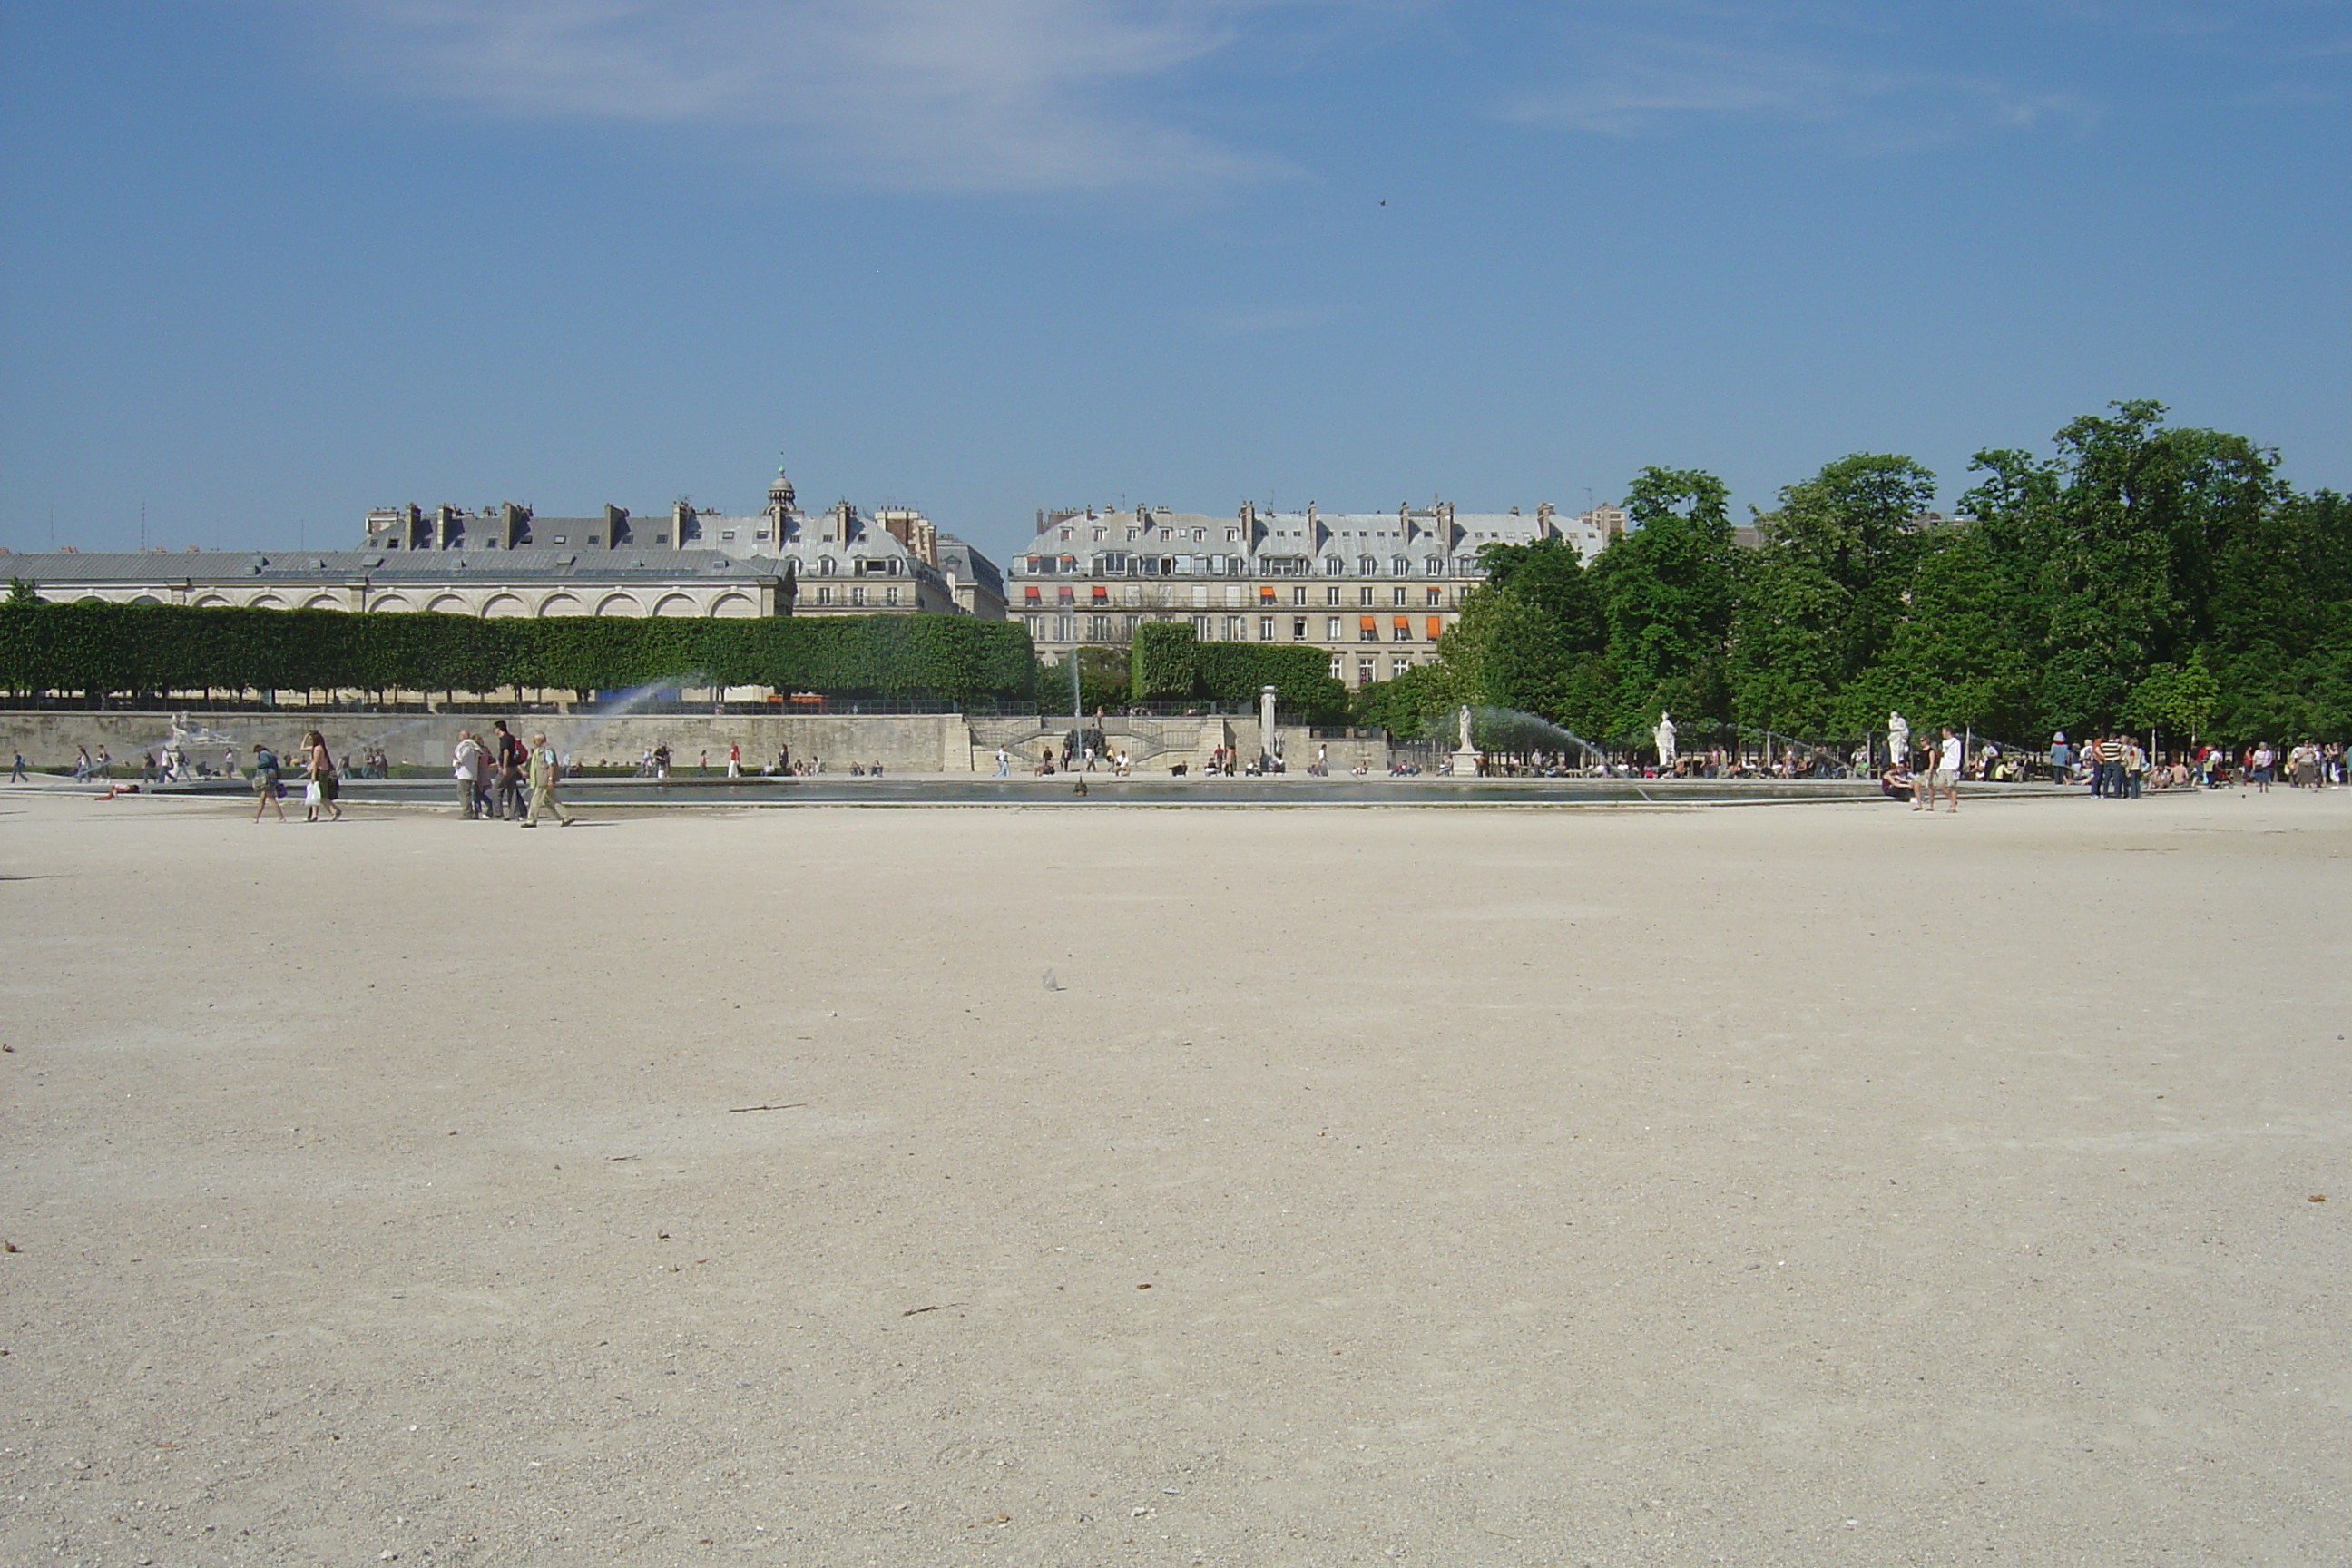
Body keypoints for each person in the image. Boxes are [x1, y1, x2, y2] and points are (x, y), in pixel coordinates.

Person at [519, 731, 574, 827]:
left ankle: (531, 820)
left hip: (543, 779)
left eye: (535, 740)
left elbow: (551, 765)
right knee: (552, 800)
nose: (533, 742)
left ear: (540, 740)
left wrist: (550, 779)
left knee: (535, 800)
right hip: (541, 779)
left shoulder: (547, 750)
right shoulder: (539, 750)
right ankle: (565, 817)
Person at [300, 730, 344, 822]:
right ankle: (314, 815)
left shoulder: (318, 749)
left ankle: (334, 811)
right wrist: (306, 737)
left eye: (311, 739)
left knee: (321, 795)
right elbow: (302, 748)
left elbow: (316, 763)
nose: (311, 741)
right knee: (316, 794)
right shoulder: (317, 748)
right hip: (320, 772)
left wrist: (313, 775)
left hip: (320, 772)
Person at [452, 730, 485, 818]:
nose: (459, 737)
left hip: (465, 773)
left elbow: (462, 758)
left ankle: (467, 813)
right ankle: (470, 812)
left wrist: (456, 757)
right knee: (466, 793)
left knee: (464, 793)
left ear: (464, 736)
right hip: (469, 773)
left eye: (460, 735)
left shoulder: (467, 746)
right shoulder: (473, 746)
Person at [250, 743, 285, 823]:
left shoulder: (262, 754)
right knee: (262, 798)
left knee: (271, 798)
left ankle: (281, 817)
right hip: (272, 776)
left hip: (267, 777)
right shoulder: (270, 754)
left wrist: (258, 766)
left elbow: (265, 762)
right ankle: (256, 817)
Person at [1931, 725, 1962, 813]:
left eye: (1943, 732)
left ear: (1948, 732)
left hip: (1951, 766)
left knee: (1952, 786)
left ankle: (1952, 806)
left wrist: (1956, 766)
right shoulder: (1944, 742)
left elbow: (1957, 755)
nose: (1942, 734)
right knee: (1940, 785)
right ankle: (1952, 800)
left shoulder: (1956, 742)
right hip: (1943, 766)